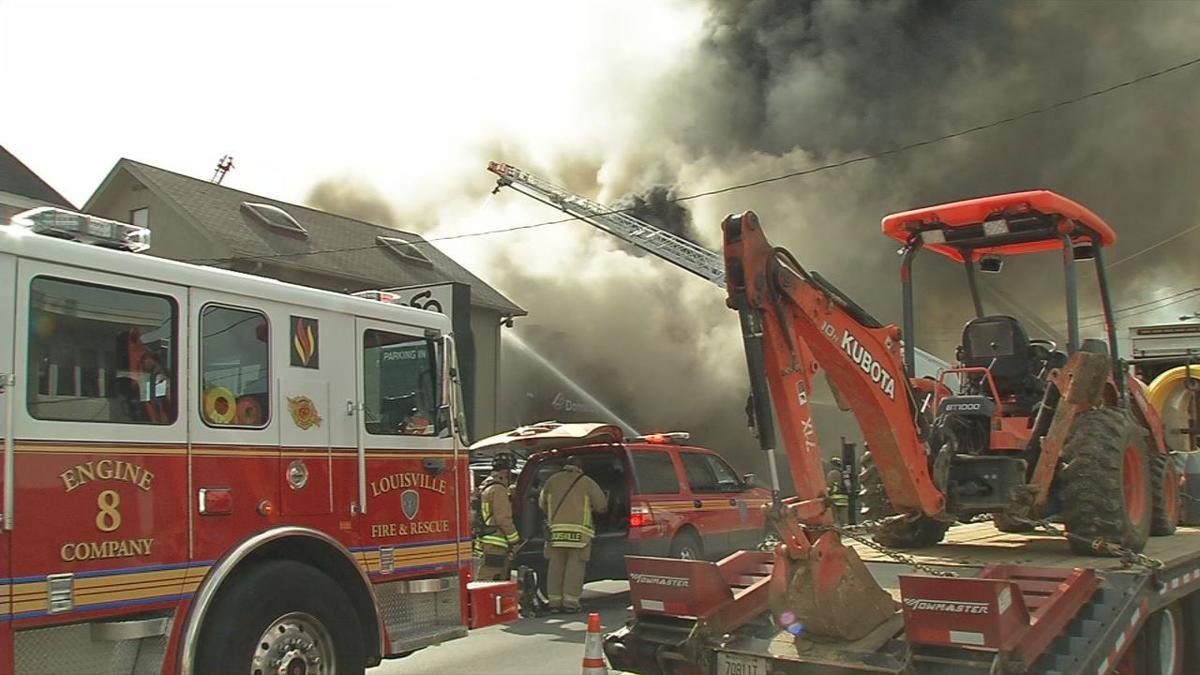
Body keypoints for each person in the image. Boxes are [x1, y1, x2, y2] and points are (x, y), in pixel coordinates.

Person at [539, 456, 608, 613]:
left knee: (555, 567)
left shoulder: (552, 480)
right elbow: (601, 505)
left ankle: (554, 603)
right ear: (580, 468)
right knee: (574, 568)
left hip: (555, 533)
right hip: (579, 534)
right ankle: (570, 604)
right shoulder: (586, 482)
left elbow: (542, 503)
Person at [475, 454, 520, 581]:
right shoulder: (498, 490)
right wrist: (515, 540)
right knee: (491, 578)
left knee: (487, 576)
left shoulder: (485, 487)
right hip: (496, 543)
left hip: (486, 540)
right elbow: (503, 519)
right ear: (506, 472)